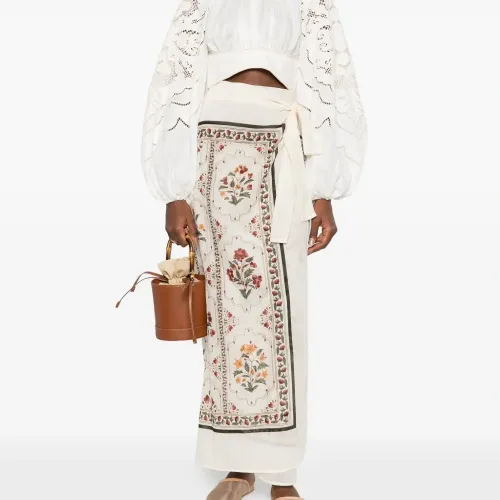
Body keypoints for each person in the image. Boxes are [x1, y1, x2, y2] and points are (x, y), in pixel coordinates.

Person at [141, 0, 367, 498]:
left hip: (284, 147)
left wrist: (323, 188)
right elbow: (177, 77)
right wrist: (175, 190)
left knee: (285, 309)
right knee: (226, 313)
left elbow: (326, 81)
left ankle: (282, 473)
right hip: (215, 146)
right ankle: (238, 467)